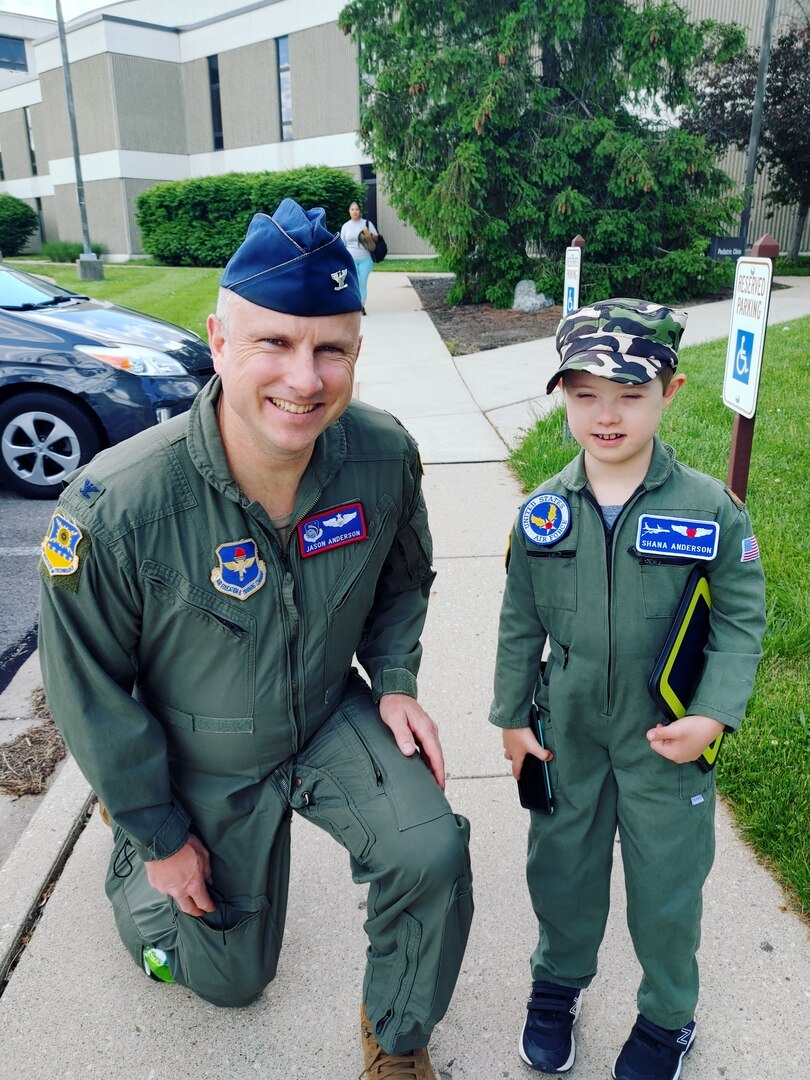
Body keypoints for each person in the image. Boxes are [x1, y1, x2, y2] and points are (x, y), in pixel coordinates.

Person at [38, 199, 473, 1080]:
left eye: (331, 349)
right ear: (219, 340)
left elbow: (403, 579)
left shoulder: (383, 456)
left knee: (432, 849)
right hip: (201, 750)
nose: (305, 379)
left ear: (356, 352)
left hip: (323, 715)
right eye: (274, 342)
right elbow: (88, 692)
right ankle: (134, 868)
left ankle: (397, 1042)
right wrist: (157, 833)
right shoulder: (115, 507)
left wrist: (392, 678)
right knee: (228, 981)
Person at [489, 299, 766, 1080]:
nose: (606, 415)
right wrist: (513, 720)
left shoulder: (709, 508)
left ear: (670, 391)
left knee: (667, 889)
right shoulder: (543, 510)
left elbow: (743, 621)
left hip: (666, 740)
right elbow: (518, 624)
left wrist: (713, 714)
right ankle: (557, 986)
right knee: (562, 869)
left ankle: (667, 1016)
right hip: (568, 730)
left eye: (630, 394)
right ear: (563, 397)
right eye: (584, 394)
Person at [340, 199, 378, 315]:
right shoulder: (346, 226)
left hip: (365, 259)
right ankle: (354, 304)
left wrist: (368, 233)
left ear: (360, 211)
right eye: (352, 209)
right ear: (349, 211)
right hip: (351, 259)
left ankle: (361, 305)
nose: (355, 212)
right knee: (353, 282)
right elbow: (342, 244)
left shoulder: (366, 223)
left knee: (362, 283)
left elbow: (376, 238)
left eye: (357, 209)